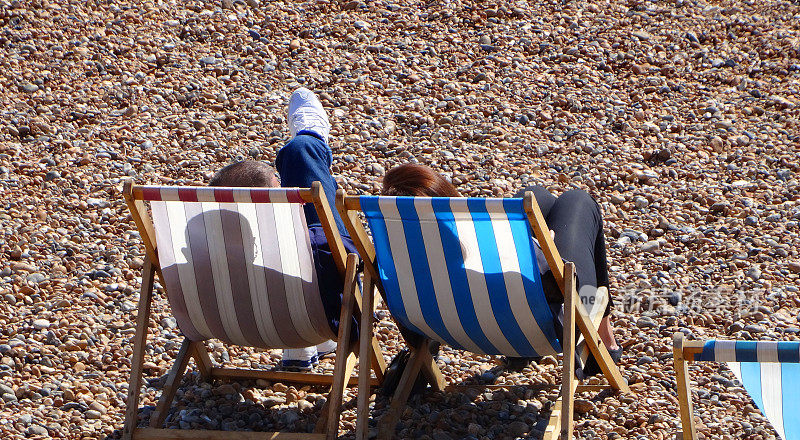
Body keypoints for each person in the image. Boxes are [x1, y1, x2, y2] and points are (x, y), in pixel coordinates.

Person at [381, 163, 623, 377]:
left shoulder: (394, 262)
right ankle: (603, 340)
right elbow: (554, 281)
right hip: (534, 329)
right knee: (578, 200)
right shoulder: (478, 247)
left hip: (454, 330)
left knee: (535, 196)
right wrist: (543, 246)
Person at [209, 88, 356, 370]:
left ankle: (300, 351)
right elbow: (352, 258)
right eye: (280, 188)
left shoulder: (199, 258)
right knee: (302, 158)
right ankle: (312, 139)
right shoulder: (313, 245)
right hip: (325, 312)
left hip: (236, 324)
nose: (285, 191)